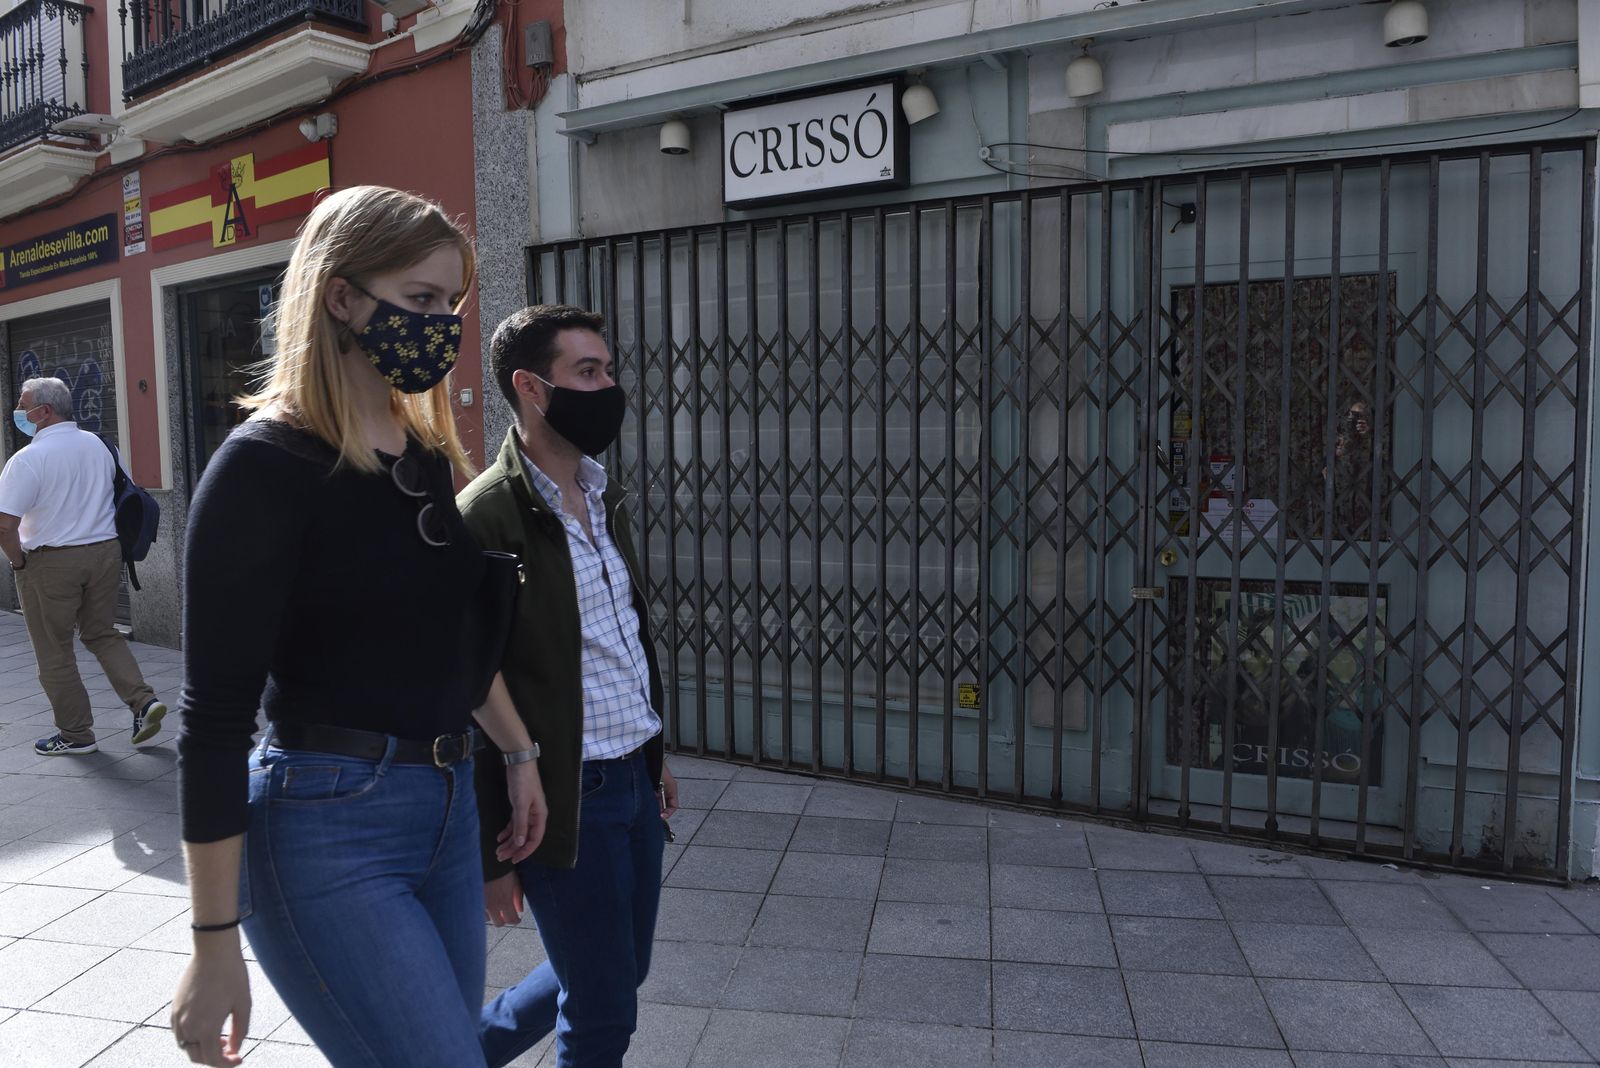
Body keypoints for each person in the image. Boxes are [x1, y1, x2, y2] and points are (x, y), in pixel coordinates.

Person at [167, 186, 549, 1068]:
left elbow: (451, 632)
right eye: (420, 301)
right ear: (340, 295)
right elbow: (214, 721)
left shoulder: (418, 453)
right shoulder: (263, 466)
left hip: (447, 811)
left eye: (450, 305)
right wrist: (212, 938)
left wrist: (518, 754)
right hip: (326, 822)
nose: (442, 326)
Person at [462, 304, 678, 1068]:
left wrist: (654, 755)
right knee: (604, 1007)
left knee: (624, 968)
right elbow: (469, 680)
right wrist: (492, 858)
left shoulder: (600, 493)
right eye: (588, 372)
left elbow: (617, 638)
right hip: (559, 793)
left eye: (609, 370)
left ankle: (461, 1051)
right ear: (531, 387)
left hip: (632, 778)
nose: (609, 386)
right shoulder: (485, 515)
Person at [0, 376, 166, 755]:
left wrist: (19, 562)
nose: (18, 411)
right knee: (101, 632)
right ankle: (143, 701)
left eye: (23, 404)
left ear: (43, 412)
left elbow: (4, 524)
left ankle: (76, 735)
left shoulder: (27, 459)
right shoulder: (102, 445)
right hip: (105, 553)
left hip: (52, 560)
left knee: (54, 650)